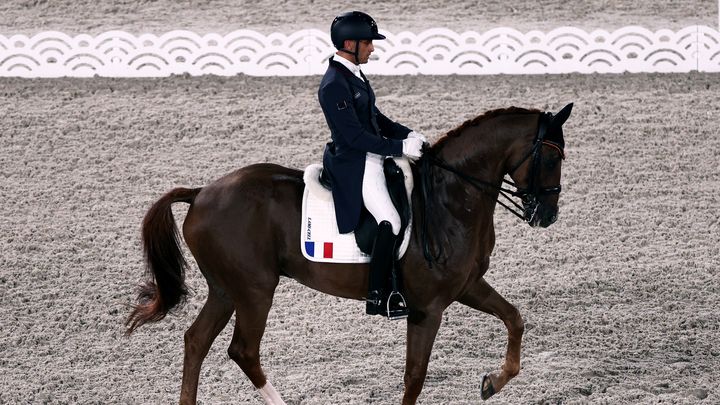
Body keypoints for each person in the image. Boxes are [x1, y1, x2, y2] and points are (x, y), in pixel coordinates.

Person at [318, 11, 425, 319]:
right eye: (367, 43)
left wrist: (407, 133)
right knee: (390, 220)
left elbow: (375, 119)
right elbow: (354, 137)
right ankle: (380, 294)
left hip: (373, 154)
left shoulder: (354, 74)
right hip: (356, 162)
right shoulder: (334, 84)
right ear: (349, 43)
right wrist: (400, 148)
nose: (372, 49)